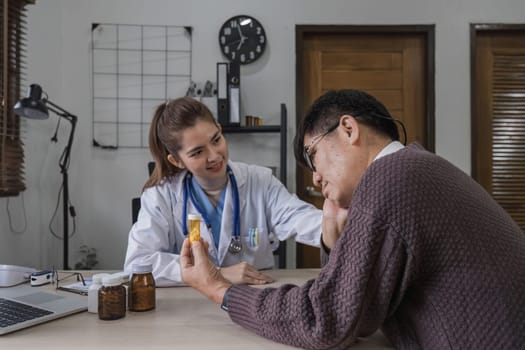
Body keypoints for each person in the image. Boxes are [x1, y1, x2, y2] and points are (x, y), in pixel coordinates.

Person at [180, 89, 525, 349]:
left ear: (348, 129)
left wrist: (220, 290)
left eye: (313, 155)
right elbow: (359, 311)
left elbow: (325, 319)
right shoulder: (414, 167)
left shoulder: (390, 177)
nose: (315, 178)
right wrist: (333, 241)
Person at [124, 97, 322, 286]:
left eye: (216, 140)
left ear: (219, 129)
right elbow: (138, 264)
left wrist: (341, 224)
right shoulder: (161, 195)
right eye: (197, 152)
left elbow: (300, 219)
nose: (214, 156)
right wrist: (217, 273)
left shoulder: (259, 181)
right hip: (190, 304)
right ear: (176, 161)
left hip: (253, 296)